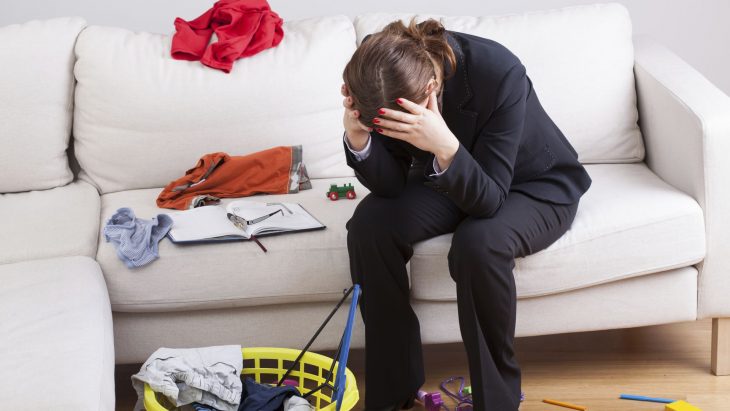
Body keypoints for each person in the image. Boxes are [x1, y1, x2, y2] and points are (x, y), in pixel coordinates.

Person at [340, 17, 592, 411]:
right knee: (369, 226)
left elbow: (490, 200)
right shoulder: (378, 66)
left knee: (479, 243)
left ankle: (497, 402)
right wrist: (359, 139)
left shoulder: (499, 71)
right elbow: (390, 187)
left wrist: (446, 147)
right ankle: (394, 391)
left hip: (535, 185)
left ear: (430, 88)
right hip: (452, 180)